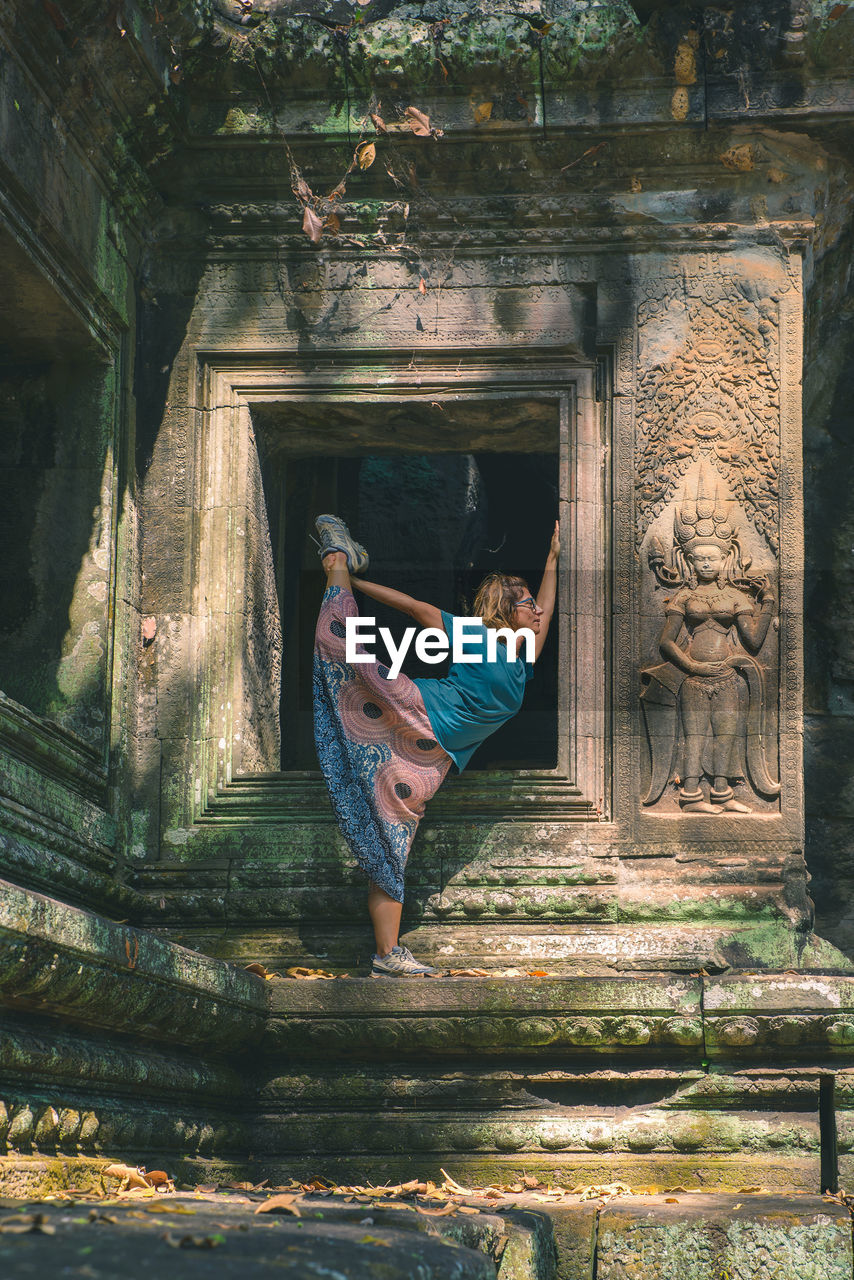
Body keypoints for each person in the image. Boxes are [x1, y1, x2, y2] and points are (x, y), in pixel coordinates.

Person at [312, 514, 560, 976]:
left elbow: (545, 608)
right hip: (413, 707)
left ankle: (387, 956)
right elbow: (412, 606)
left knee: (391, 837)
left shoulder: (523, 656)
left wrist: (552, 559)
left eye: (533, 604)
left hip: (428, 757)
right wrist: (356, 582)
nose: (537, 611)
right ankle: (338, 561)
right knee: (342, 648)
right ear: (507, 612)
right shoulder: (473, 636)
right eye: (527, 605)